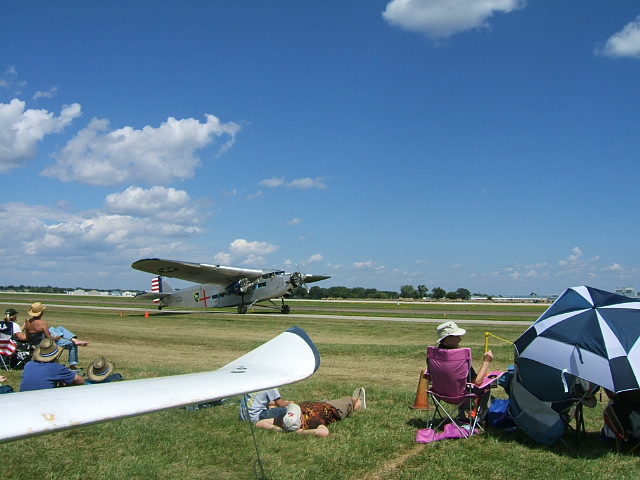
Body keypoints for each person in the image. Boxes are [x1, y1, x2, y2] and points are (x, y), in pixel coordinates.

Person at [255, 388, 366, 437]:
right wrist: (301, 432)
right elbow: (324, 432)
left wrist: (282, 429)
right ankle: (357, 401)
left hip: (319, 404)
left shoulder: (286, 421)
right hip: (333, 409)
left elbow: (260, 423)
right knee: (348, 400)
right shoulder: (312, 422)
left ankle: (355, 404)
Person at [24, 302, 89, 370]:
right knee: (72, 345)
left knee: (60, 328)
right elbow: (50, 339)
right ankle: (73, 365)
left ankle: (74, 339)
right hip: (46, 345)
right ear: (41, 312)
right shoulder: (42, 323)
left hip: (36, 343)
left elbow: (27, 337)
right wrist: (57, 338)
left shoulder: (28, 322)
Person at [433, 321, 493, 387]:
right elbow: (477, 382)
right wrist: (486, 361)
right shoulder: (459, 357)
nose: (460, 339)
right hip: (461, 395)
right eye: (457, 336)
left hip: (439, 393)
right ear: (448, 339)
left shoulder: (433, 356)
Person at [19, 338, 85, 391]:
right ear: (56, 355)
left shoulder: (29, 365)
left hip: (23, 399)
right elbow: (80, 380)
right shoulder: (56, 367)